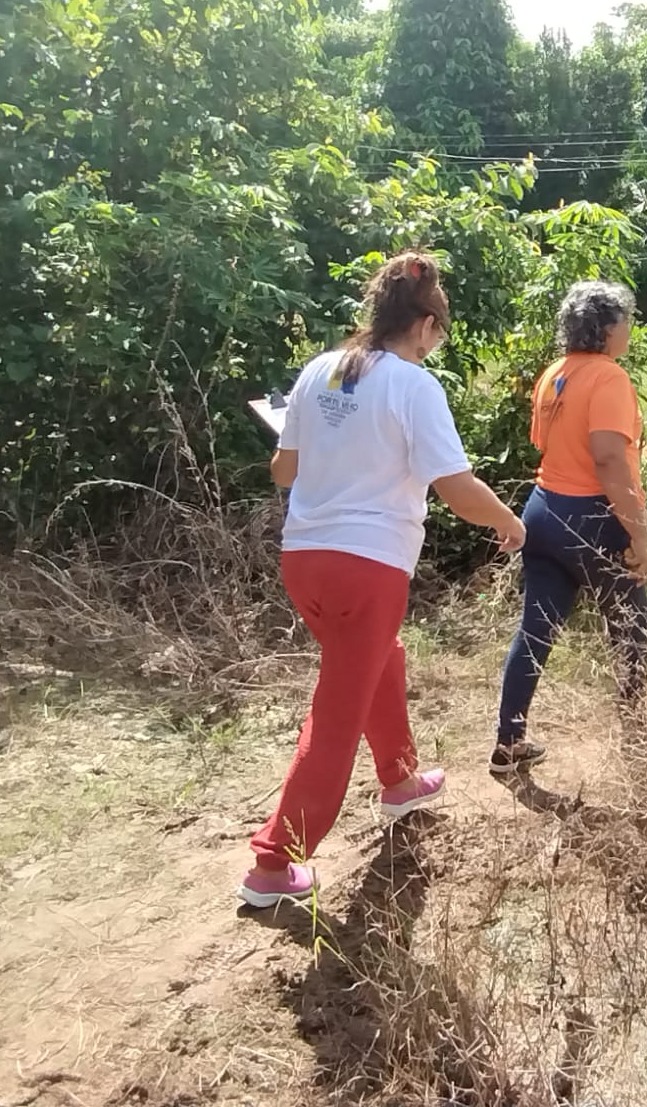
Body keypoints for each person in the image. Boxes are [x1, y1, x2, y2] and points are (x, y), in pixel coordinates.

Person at [240, 252, 526, 909]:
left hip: (305, 561)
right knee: (338, 710)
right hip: (366, 569)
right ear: (425, 325)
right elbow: (455, 488)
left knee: (375, 662)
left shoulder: (320, 371)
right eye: (438, 335)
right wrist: (512, 521)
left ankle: (400, 782)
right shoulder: (413, 385)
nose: (434, 346)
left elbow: (283, 473)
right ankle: (273, 865)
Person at [493, 282, 647, 774]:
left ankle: (508, 742)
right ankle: (636, 731)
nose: (629, 331)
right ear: (609, 329)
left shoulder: (555, 375)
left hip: (543, 510)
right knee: (631, 625)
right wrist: (638, 535)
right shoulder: (609, 378)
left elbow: (545, 443)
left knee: (535, 630)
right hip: (591, 517)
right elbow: (609, 459)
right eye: (627, 322)